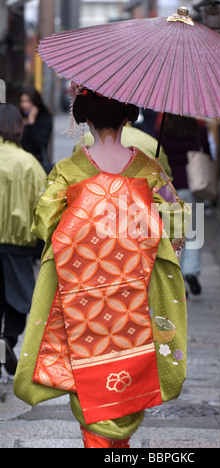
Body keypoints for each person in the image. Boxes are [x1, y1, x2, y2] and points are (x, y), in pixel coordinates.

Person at [14, 86, 191, 449]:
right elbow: (178, 222)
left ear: (84, 117)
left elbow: (43, 222)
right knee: (131, 358)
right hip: (132, 293)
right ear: (129, 116)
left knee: (86, 370)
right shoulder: (148, 167)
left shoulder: (69, 169)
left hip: (82, 293)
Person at [0, 104, 46, 379]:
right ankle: (8, 339)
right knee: (18, 301)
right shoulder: (30, 164)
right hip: (18, 246)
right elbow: (43, 207)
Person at [159, 114, 212, 297]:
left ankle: (177, 277)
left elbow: (158, 158)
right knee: (194, 234)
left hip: (168, 189)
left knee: (174, 236)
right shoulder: (199, 130)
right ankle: (191, 271)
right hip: (192, 185)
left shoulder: (162, 131)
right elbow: (207, 155)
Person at [19, 86, 53, 173]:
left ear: (35, 102)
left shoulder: (45, 118)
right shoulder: (19, 117)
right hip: (19, 163)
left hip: (36, 165)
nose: (24, 105)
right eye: (22, 101)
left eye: (28, 101)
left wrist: (31, 122)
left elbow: (39, 143)